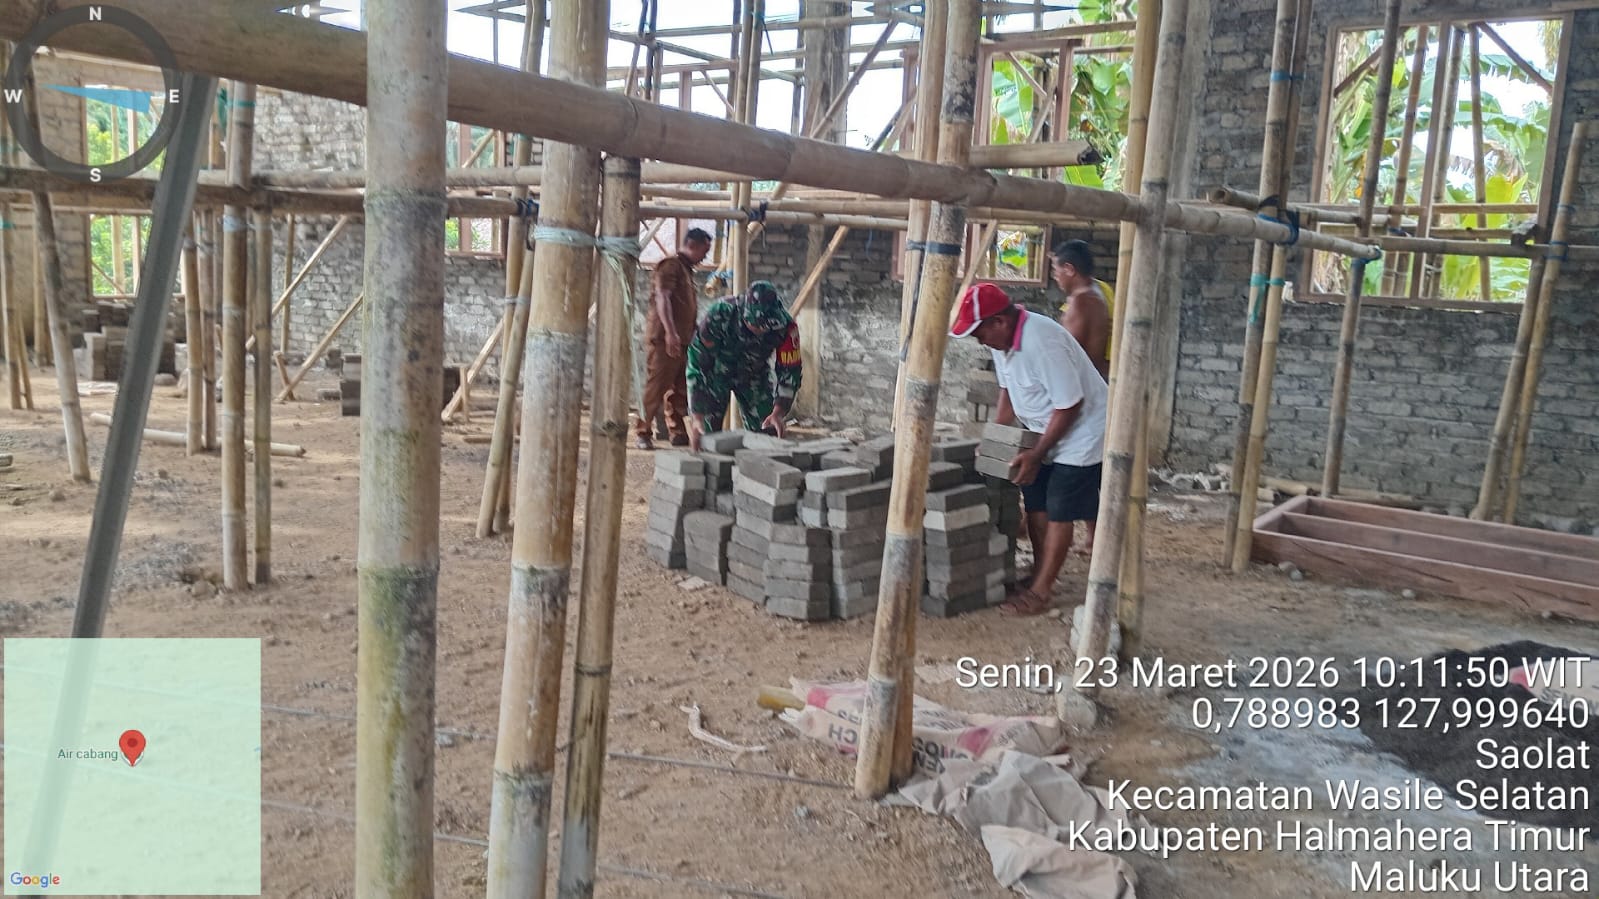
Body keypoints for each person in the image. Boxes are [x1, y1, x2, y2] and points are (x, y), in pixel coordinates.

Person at [950, 283, 1108, 617]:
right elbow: (1007, 391)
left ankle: (1042, 592)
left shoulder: (1041, 343)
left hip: (1083, 430)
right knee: (1035, 502)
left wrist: (1037, 454)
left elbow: (1070, 406)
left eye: (980, 333)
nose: (980, 341)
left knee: (1061, 506)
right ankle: (1039, 574)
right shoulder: (1001, 341)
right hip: (1044, 427)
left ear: (1000, 322)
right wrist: (995, 436)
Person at [685, 281, 803, 449]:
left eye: (764, 327)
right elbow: (697, 363)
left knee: (768, 432)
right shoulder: (720, 313)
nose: (759, 330)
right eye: (754, 324)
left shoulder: (786, 327)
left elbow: (790, 372)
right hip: (715, 376)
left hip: (754, 376)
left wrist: (778, 412)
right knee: (708, 438)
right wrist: (696, 416)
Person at [636, 227, 713, 449]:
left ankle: (677, 430)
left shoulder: (685, 270)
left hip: (683, 340)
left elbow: (683, 307)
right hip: (664, 339)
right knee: (656, 385)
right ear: (694, 245)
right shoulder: (670, 266)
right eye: (704, 252)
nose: (704, 257)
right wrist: (670, 332)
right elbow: (663, 297)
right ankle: (643, 431)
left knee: (679, 388)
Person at [1049, 239, 1112, 380]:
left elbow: (1067, 356)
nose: (1055, 277)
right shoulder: (1102, 289)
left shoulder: (1080, 302)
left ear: (1069, 269)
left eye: (1055, 270)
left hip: (1084, 384)